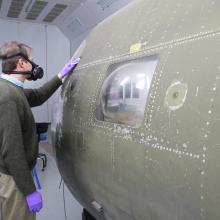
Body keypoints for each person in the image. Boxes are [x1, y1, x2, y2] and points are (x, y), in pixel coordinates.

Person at [0, 41, 80, 220]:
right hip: (15, 181)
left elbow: (38, 95)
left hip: (14, 177)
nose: (34, 65)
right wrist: (29, 191)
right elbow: (12, 152)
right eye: (31, 61)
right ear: (21, 63)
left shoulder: (12, 89)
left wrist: (60, 76)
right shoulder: (8, 97)